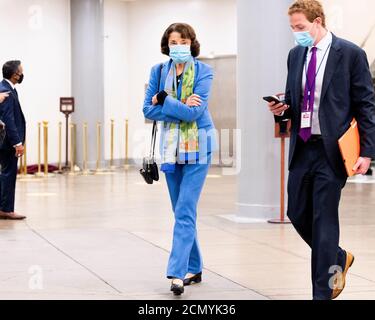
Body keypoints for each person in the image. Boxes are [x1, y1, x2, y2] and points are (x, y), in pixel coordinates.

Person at [267, 0, 375, 300]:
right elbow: (293, 100)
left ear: (318, 21)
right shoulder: (296, 55)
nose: (296, 33)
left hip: (332, 151)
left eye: (300, 27)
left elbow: (366, 105)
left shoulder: (351, 54)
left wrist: (367, 153)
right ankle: (338, 258)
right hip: (302, 147)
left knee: (324, 222)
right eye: (292, 28)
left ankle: (322, 293)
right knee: (298, 213)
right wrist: (281, 108)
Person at [143, 23, 216, 295]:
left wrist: (164, 100)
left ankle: (176, 272)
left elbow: (196, 116)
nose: (178, 46)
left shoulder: (204, 72)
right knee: (180, 211)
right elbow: (147, 110)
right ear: (167, 45)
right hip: (171, 149)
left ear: (191, 43)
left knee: (185, 209)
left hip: (200, 147)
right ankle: (195, 266)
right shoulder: (158, 71)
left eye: (183, 41)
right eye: (173, 42)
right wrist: (179, 106)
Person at [0, 60, 26, 220]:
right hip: (8, 143)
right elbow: (9, 120)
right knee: (9, 174)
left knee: (4, 174)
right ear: (15, 74)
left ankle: (3, 207)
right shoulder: (6, 92)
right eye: (21, 71)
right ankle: (6, 209)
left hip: (5, 140)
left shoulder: (6, 90)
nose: (22, 74)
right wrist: (18, 143)